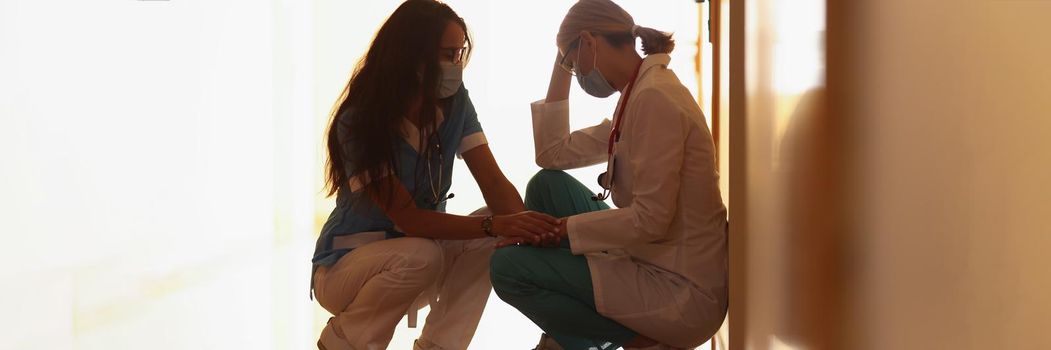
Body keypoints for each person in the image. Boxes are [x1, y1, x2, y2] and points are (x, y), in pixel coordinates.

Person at [311, 1, 561, 349]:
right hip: (346, 268)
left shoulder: (455, 103)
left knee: (494, 229)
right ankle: (346, 343)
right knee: (435, 249)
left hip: (418, 257)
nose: (456, 66)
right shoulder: (358, 122)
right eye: (447, 55)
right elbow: (410, 219)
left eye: (459, 54)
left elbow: (492, 182)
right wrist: (497, 225)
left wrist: (527, 228)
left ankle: (440, 346)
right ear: (411, 56)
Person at [489, 0, 729, 349]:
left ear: (589, 42)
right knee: (546, 186)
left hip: (681, 290)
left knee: (508, 268)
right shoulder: (636, 95)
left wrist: (561, 232)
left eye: (572, 64)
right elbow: (551, 155)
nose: (575, 73)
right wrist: (563, 57)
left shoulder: (655, 99)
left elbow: (651, 221)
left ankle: (635, 341)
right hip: (652, 255)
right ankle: (567, 335)